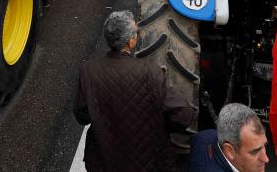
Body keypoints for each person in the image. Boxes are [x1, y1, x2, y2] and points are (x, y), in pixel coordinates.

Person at [74, 11, 192, 171]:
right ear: (130, 42)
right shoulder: (150, 71)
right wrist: (161, 128)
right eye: (135, 32)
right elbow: (184, 115)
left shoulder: (89, 69)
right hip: (147, 162)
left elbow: (82, 116)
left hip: (103, 161)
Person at [188, 103, 269, 172]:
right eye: (254, 152)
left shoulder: (205, 135)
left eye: (264, 146)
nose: (266, 159)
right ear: (229, 150)